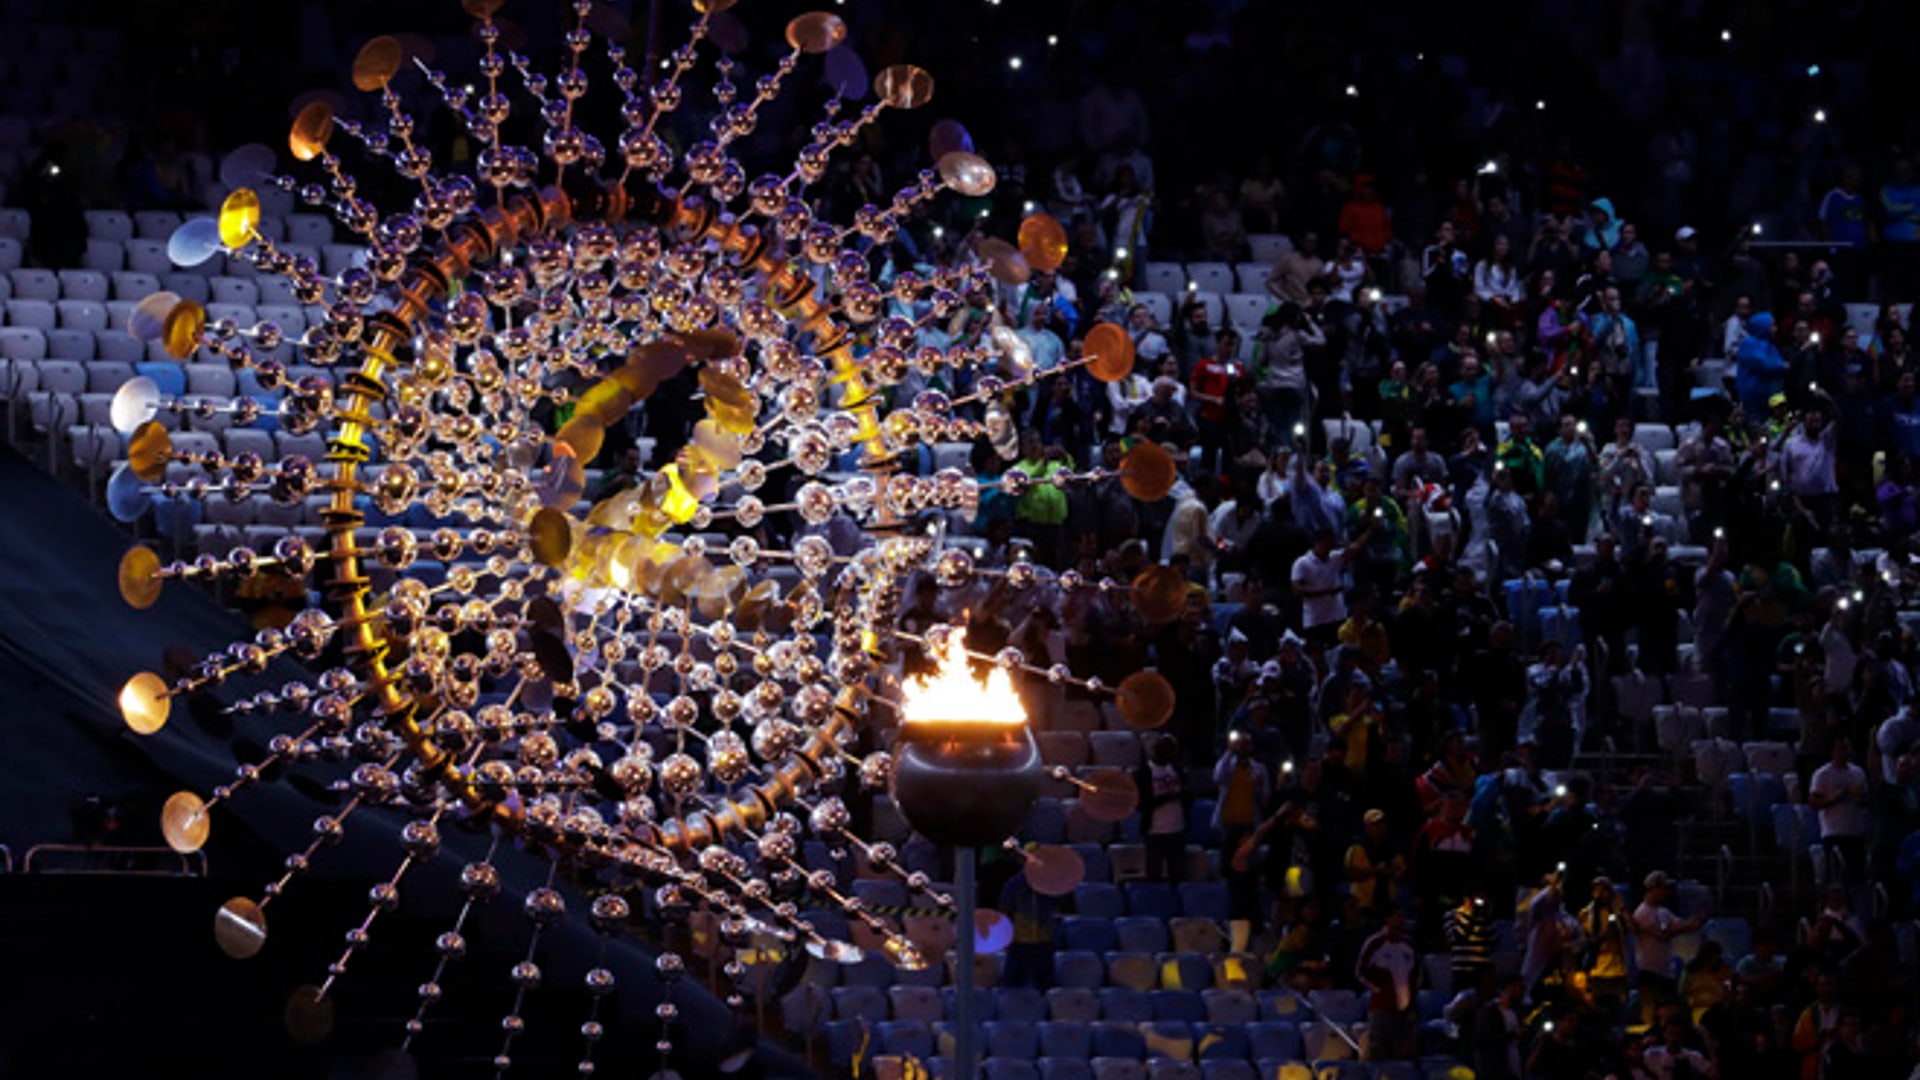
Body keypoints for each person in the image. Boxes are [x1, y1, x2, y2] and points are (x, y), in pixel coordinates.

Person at [1633, 870, 1705, 1022]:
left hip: (1665, 972)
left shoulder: (1663, 912)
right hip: (1649, 971)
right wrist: (1686, 926)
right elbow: (1662, 934)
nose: (1666, 892)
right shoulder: (1642, 912)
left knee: (1673, 1012)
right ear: (1653, 888)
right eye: (1663, 888)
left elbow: (1680, 925)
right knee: (1651, 1012)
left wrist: (1697, 919)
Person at [1356, 906, 1418, 1061]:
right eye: (1397, 916)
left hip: (1406, 1009)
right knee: (1379, 1052)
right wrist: (1379, 990)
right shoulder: (1374, 943)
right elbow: (1360, 971)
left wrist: (1412, 995)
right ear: (1387, 919)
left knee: (1404, 1054)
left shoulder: (1409, 945)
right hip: (1382, 1008)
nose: (1401, 920)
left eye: (1402, 916)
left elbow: (1417, 972)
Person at [1807, 738, 1869, 885]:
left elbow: (1865, 799)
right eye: (1841, 748)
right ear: (1832, 751)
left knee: (1857, 878)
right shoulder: (1823, 774)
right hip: (1834, 832)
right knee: (1835, 877)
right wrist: (1842, 794)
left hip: (1855, 831)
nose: (1845, 752)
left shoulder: (1858, 772)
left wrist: (1861, 797)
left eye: (1847, 748)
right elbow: (1814, 803)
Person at [1137, 734, 1188, 883]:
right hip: (1155, 830)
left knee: (1178, 873)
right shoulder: (1144, 773)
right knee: (1154, 873)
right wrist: (1168, 798)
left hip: (1177, 828)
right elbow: (1141, 803)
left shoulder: (1177, 770)